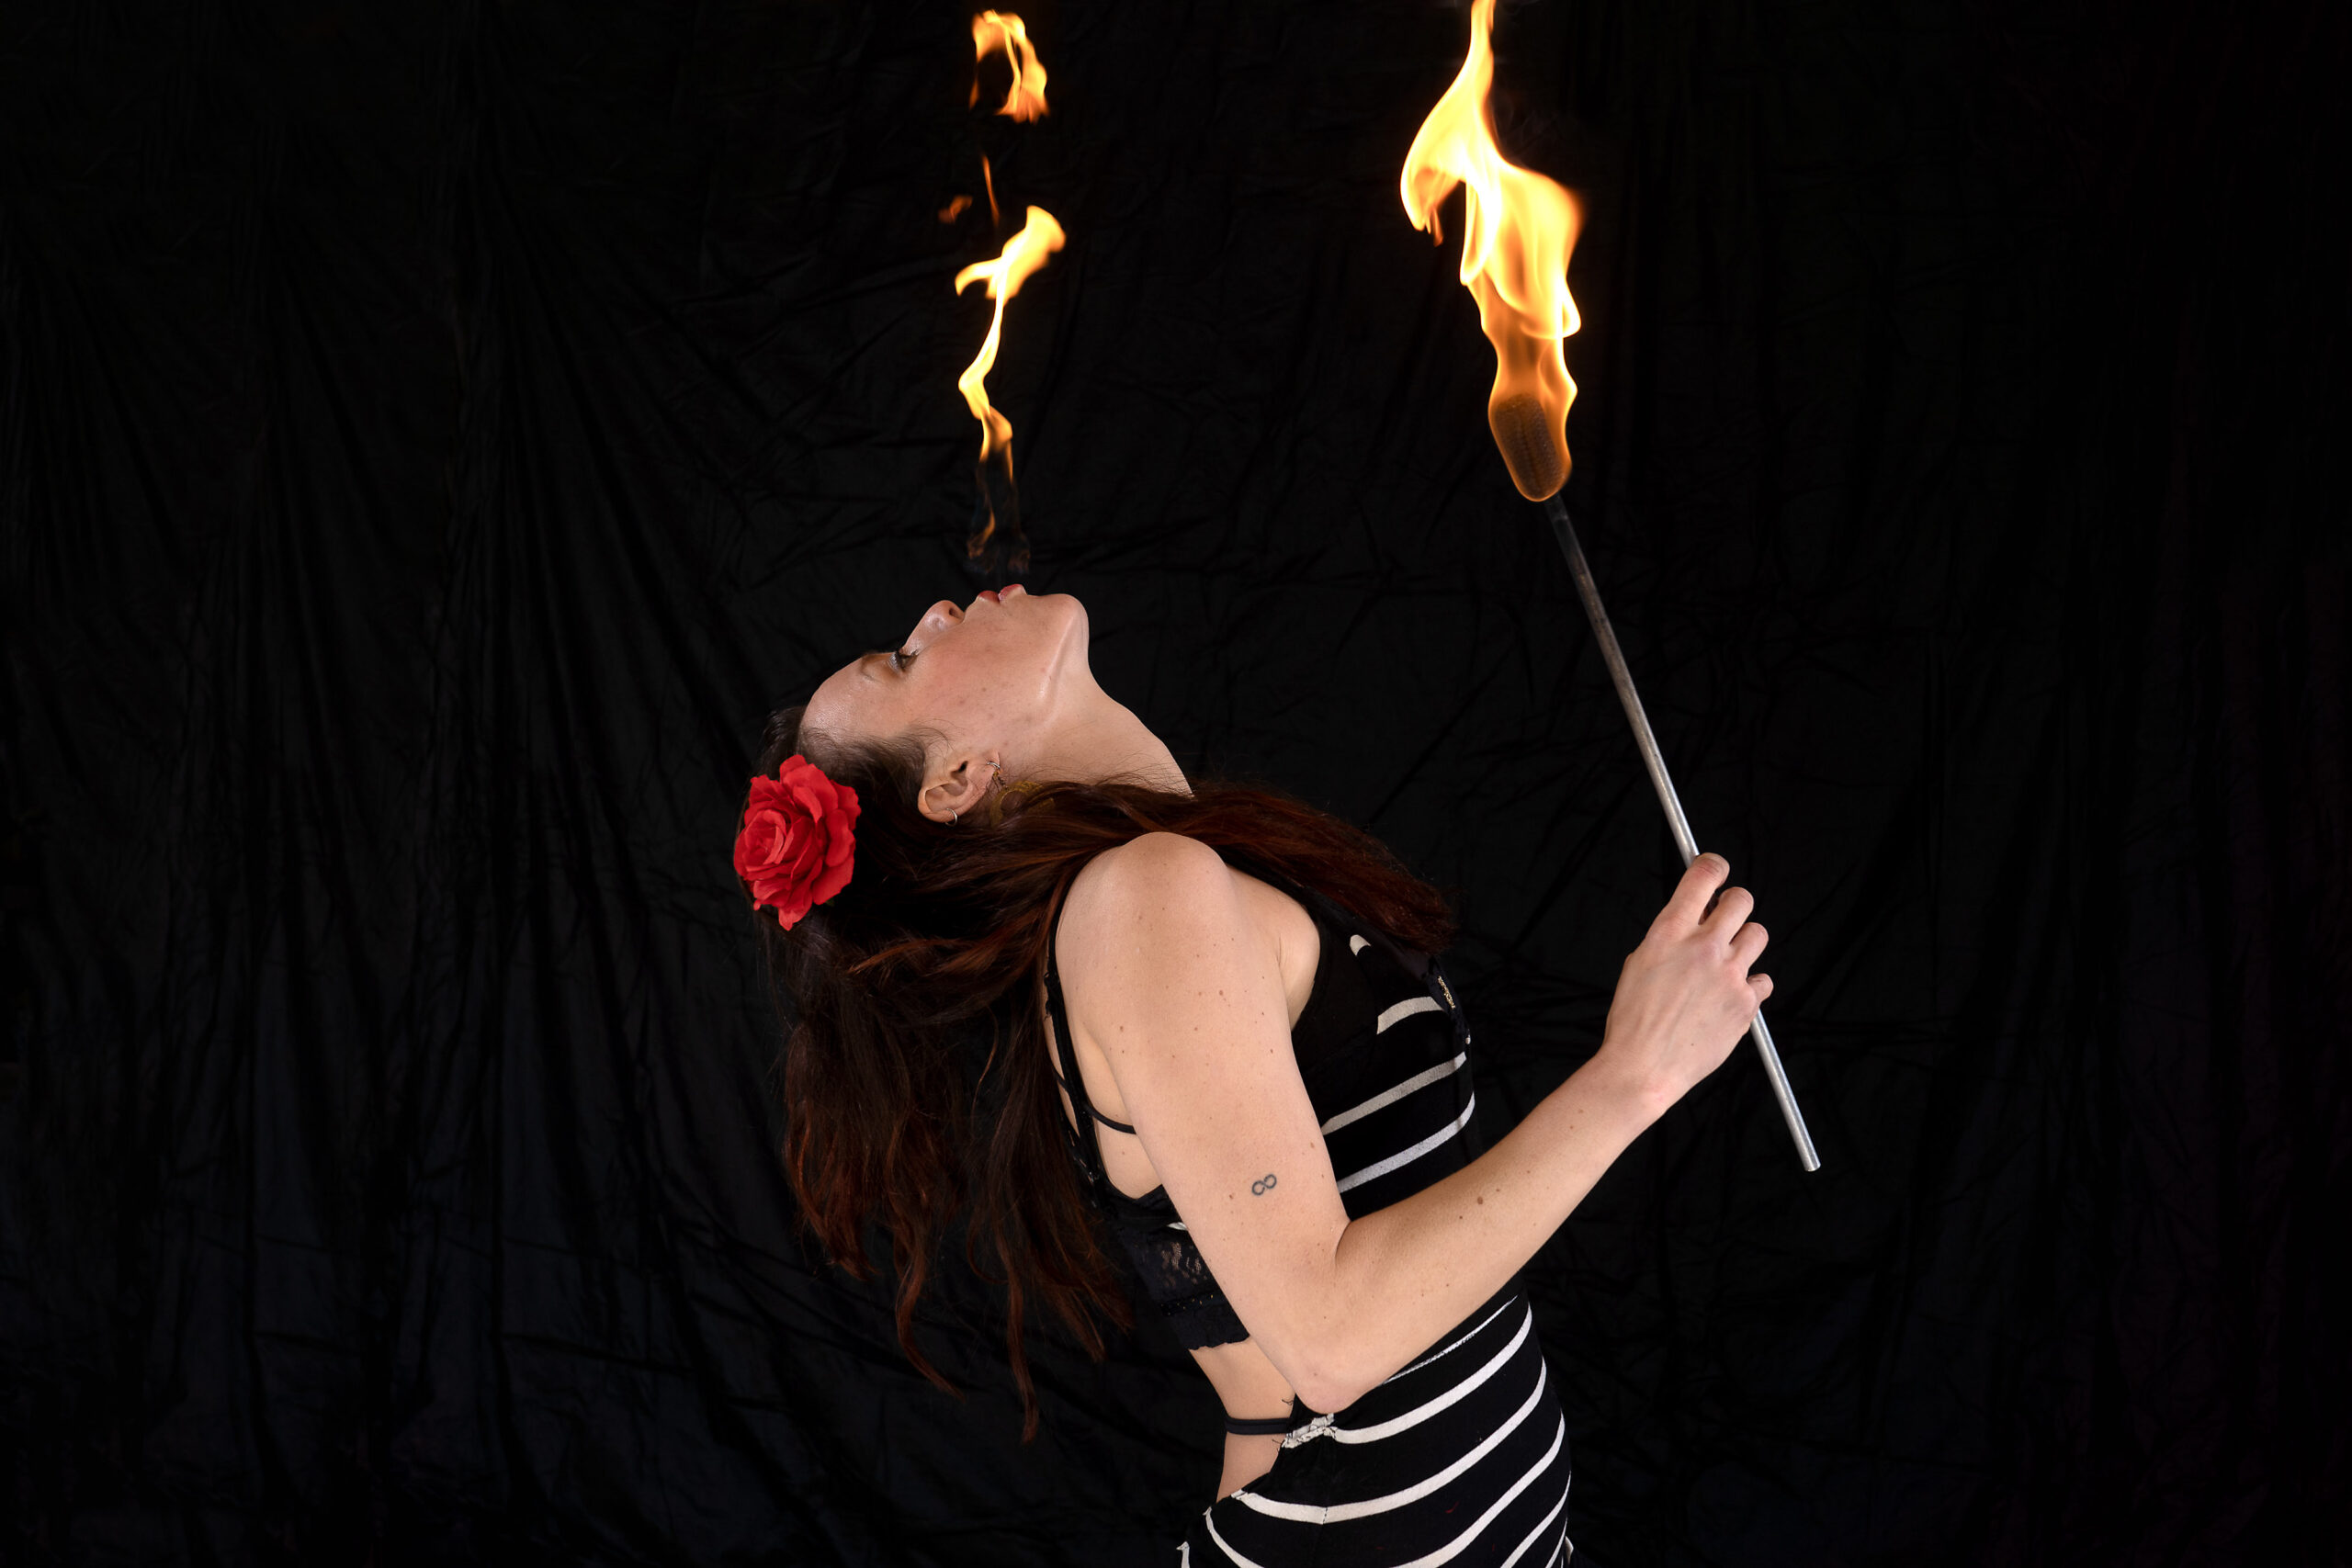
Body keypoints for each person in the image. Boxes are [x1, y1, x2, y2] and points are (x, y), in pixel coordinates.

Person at [734, 584, 1771, 1567]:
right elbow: (1330, 1340)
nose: (935, 612)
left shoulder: (1167, 874)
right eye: (902, 659)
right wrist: (1634, 1074)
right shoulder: (1140, 896)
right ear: (956, 778)